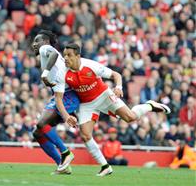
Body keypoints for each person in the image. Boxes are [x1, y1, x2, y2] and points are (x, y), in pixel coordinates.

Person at [63, 43, 170, 176]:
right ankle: (105, 166)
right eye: (64, 55)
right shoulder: (63, 71)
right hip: (87, 104)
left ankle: (149, 106)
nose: (66, 58)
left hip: (104, 96)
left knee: (130, 117)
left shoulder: (91, 66)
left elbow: (116, 75)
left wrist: (118, 87)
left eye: (69, 55)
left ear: (78, 56)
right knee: (85, 135)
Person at [32, 30, 79, 174]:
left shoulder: (46, 49)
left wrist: (45, 73)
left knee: (41, 124)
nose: (34, 44)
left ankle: (65, 153)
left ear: (45, 42)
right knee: (38, 133)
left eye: (37, 41)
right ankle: (62, 165)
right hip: (61, 95)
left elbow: (52, 54)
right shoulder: (48, 56)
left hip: (68, 95)